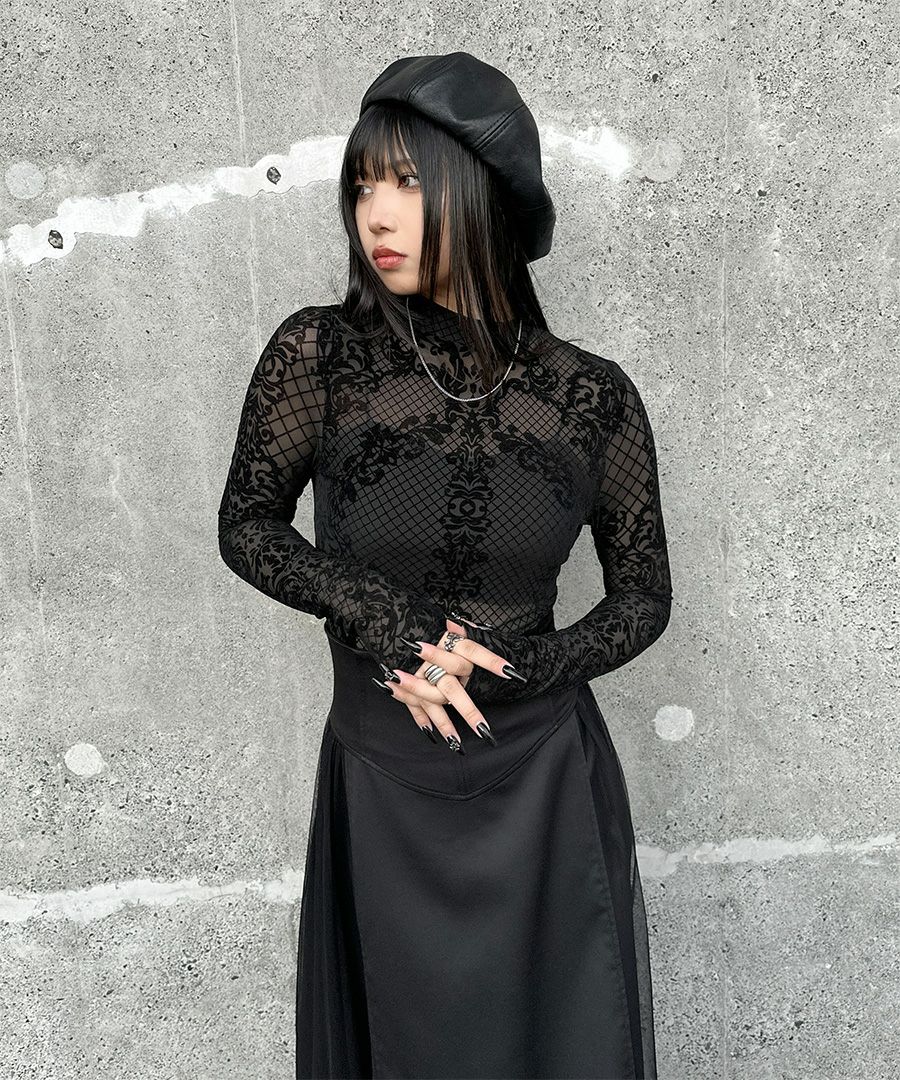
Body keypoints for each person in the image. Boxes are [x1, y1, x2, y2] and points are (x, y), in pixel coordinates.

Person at [217, 51, 672, 1080]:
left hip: (544, 784)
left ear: (482, 192)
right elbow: (248, 524)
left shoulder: (590, 396)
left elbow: (645, 596)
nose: (374, 215)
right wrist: (387, 619)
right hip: (384, 774)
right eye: (361, 185)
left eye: (408, 184)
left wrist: (524, 666)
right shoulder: (320, 356)